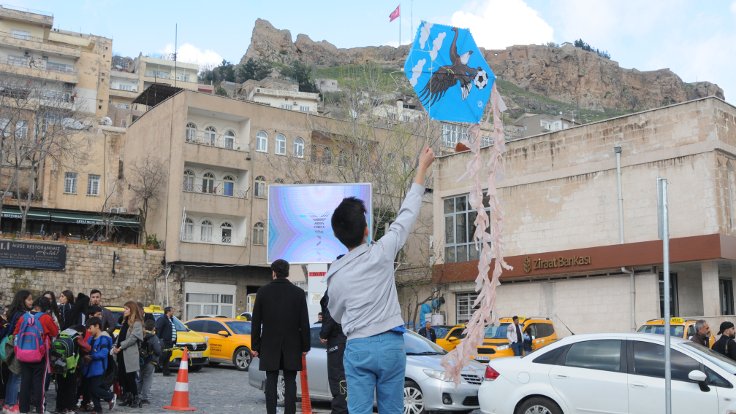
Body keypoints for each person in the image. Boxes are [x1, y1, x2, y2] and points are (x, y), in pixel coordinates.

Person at [325, 146, 434, 414]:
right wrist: (422, 167)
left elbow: (336, 315)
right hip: (391, 345)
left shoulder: (335, 274)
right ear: (366, 231)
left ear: (338, 237)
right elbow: (406, 216)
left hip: (358, 345)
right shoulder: (382, 252)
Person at [251, 259, 311, 414]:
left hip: (269, 344)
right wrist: (305, 346)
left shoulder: (263, 292)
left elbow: (256, 322)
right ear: (288, 272)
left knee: (271, 380)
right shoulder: (298, 293)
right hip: (293, 344)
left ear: (274, 272)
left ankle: (271, 411)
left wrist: (255, 346)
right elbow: (304, 322)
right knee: (290, 380)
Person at [14, 296, 59, 414]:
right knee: (39, 383)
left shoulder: (23, 317)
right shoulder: (45, 318)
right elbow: (55, 332)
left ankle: (23, 410)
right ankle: (40, 410)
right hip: (40, 355)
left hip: (23, 354)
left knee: (25, 382)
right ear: (45, 308)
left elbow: (16, 334)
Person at [2, 290, 33, 414]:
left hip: (12, 347)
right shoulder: (22, 315)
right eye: (29, 299)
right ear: (22, 300)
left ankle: (8, 404)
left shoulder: (14, 313)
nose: (31, 302)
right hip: (19, 348)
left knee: (12, 377)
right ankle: (12, 405)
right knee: (17, 377)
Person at [319, 291, 347, 414]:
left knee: (338, 378)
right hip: (349, 338)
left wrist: (324, 333)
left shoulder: (334, 290)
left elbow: (331, 314)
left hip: (337, 340)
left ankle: (340, 410)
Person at [113, 301, 143, 407]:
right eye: (124, 308)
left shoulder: (137, 323)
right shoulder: (125, 322)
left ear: (132, 310)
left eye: (126, 308)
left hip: (129, 353)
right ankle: (127, 397)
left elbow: (133, 338)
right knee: (122, 376)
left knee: (130, 377)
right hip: (121, 353)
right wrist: (115, 347)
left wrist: (120, 346)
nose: (124, 311)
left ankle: (136, 398)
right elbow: (120, 336)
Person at [82, 317, 116, 413]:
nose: (88, 331)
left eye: (90, 328)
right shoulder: (91, 339)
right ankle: (97, 408)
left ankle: (110, 397)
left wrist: (92, 357)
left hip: (99, 368)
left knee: (94, 388)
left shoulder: (103, 339)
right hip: (90, 368)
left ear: (97, 326)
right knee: (91, 389)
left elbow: (104, 353)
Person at [138, 318, 161, 405]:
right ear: (153, 328)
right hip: (150, 361)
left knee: (140, 378)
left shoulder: (141, 335)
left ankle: (137, 394)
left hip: (141, 360)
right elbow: (158, 350)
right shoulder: (153, 337)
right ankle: (144, 397)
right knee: (147, 379)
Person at [154, 306, 177, 377]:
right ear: (168, 312)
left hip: (170, 342)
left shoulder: (171, 319)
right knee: (163, 356)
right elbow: (158, 329)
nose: (173, 312)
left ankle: (166, 372)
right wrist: (159, 340)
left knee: (168, 356)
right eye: (172, 311)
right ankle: (154, 369)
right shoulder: (162, 319)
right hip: (164, 342)